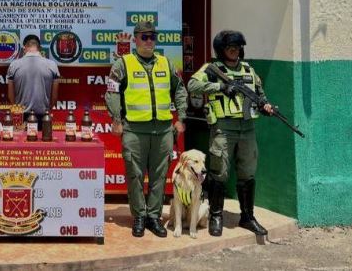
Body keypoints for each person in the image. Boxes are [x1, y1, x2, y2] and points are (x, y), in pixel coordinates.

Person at [187, 30, 274, 237]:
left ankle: (247, 216)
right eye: (230, 47)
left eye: (237, 47)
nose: (235, 51)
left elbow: (260, 95)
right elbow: (192, 84)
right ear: (221, 50)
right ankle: (216, 216)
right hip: (223, 128)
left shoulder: (248, 70)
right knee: (219, 171)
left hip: (247, 128)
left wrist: (266, 106)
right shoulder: (213, 69)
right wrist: (220, 86)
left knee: (248, 172)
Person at [105, 21, 187, 238]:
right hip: (134, 131)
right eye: (144, 37)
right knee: (135, 176)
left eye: (152, 36)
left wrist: (181, 117)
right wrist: (116, 119)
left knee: (160, 176)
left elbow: (179, 89)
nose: (149, 41)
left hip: (163, 131)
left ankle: (154, 217)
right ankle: (139, 216)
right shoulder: (123, 64)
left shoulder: (166, 63)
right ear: (135, 39)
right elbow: (112, 92)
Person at [6, 34, 60, 128]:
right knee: (43, 141)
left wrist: (17, 112)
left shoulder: (14, 65)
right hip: (44, 116)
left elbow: (10, 96)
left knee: (21, 142)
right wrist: (48, 110)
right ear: (40, 48)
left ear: (24, 49)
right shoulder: (52, 65)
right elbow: (54, 97)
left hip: (21, 117)